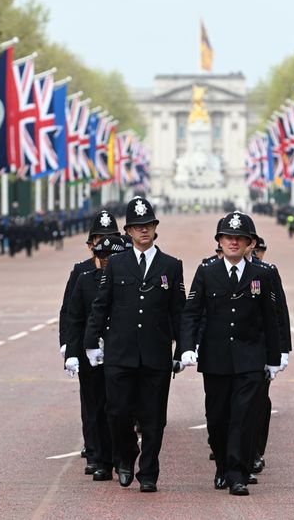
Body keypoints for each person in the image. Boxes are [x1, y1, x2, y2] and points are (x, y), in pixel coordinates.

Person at [84, 196, 186, 493]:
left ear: (155, 228)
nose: (144, 231)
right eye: (138, 227)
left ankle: (149, 472)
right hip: (120, 352)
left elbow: (179, 312)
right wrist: (91, 342)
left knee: (154, 417)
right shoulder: (116, 264)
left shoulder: (171, 265)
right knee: (117, 412)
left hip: (155, 354)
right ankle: (125, 458)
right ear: (127, 231)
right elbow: (101, 306)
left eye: (149, 225)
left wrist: (183, 349)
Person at [180, 212, 280, 496]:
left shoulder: (262, 274)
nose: (234, 242)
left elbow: (270, 319)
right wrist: (187, 347)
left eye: (240, 238)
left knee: (244, 417)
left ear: (250, 243)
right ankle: (223, 466)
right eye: (228, 237)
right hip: (216, 358)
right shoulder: (207, 272)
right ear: (220, 241)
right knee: (217, 418)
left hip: (250, 358)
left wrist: (275, 358)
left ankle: (238, 473)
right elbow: (192, 312)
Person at [58, 209, 122, 473]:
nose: (104, 244)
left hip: (118, 346)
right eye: (99, 239)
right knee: (92, 403)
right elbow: (69, 311)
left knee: (117, 404)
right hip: (89, 347)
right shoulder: (82, 272)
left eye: (110, 238)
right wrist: (68, 346)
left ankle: (115, 452)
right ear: (90, 245)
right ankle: (95, 452)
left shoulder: (124, 269)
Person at [249, 233, 291, 478]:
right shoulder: (213, 270)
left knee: (258, 404)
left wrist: (283, 350)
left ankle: (254, 452)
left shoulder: (266, 272)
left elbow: (279, 313)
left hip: (260, 351)